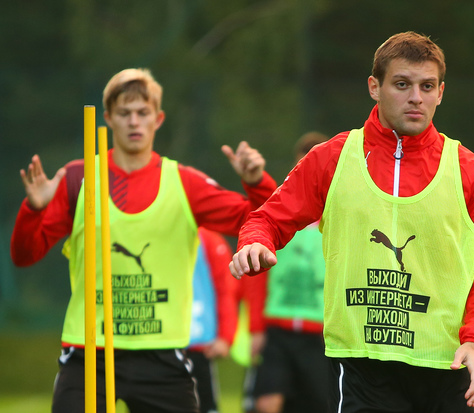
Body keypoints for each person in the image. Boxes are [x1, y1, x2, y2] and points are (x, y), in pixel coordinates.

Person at [229, 31, 474, 412]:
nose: (416, 97)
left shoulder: (469, 171)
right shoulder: (331, 158)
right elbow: (268, 218)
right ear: (374, 87)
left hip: (446, 364)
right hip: (361, 367)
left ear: (441, 92)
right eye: (402, 84)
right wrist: (256, 240)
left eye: (427, 86)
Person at [10, 68, 277, 413]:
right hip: (90, 350)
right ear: (108, 118)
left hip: (162, 353)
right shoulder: (78, 178)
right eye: (124, 113)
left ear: (158, 118)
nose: (134, 122)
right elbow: (25, 255)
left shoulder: (185, 182)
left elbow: (260, 219)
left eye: (142, 112)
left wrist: (256, 182)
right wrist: (33, 208)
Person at [241, 132, 330, 413]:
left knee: (318, 404)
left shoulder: (338, 219)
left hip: (320, 335)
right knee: (267, 402)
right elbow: (258, 278)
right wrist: (256, 328)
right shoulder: (281, 217)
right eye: (305, 166)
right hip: (278, 330)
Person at [187, 227, 239, 413]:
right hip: (161, 345)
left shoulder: (209, 240)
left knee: (204, 405)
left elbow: (226, 290)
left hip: (200, 346)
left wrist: (225, 336)